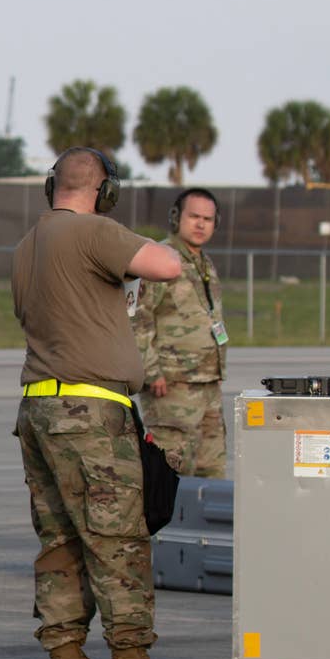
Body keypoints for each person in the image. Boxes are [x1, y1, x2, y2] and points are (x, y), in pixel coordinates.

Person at [12, 147, 201, 659]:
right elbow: (168, 265)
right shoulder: (93, 230)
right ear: (103, 191)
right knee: (119, 543)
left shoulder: (27, 247)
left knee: (61, 544)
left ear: (52, 187)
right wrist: (141, 242)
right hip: (91, 415)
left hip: (38, 408)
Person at [132, 188, 228, 478]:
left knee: (211, 470)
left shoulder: (203, 263)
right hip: (172, 386)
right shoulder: (160, 259)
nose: (201, 224)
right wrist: (151, 370)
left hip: (208, 382)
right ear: (176, 217)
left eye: (208, 219)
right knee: (171, 472)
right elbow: (137, 317)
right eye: (194, 216)